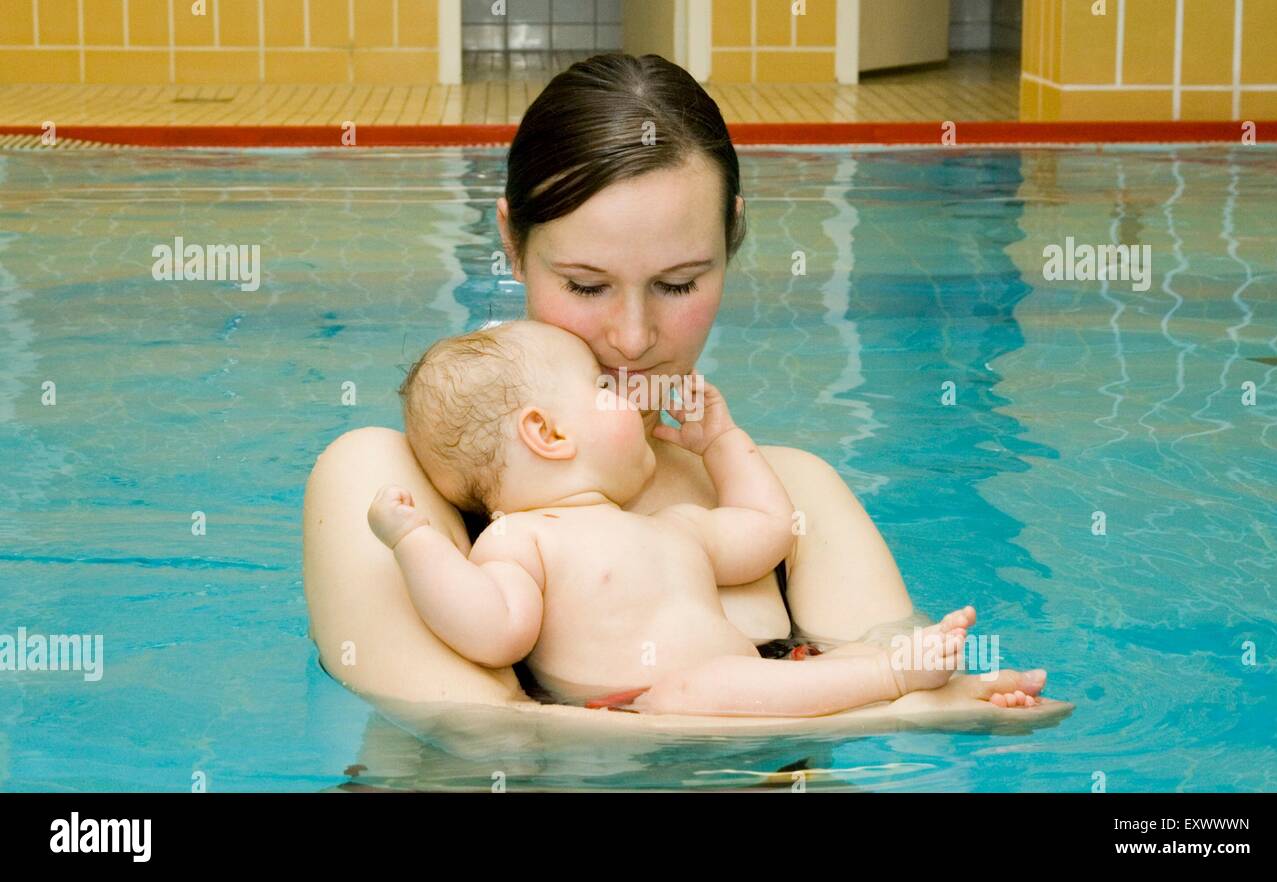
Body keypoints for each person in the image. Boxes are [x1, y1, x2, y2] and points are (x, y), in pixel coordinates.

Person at [303, 53, 1057, 723]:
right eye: (585, 285)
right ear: (511, 242)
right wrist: (889, 709)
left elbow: (928, 677)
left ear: (730, 239)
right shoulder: (396, 493)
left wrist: (963, 695)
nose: (632, 337)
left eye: (677, 283)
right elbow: (476, 731)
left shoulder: (790, 495)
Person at [367, 320, 983, 716]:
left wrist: (722, 443)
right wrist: (415, 541)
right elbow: (493, 628)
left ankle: (921, 684)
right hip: (644, 706)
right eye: (601, 389)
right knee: (705, 689)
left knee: (765, 678)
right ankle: (893, 680)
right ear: (548, 432)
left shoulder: (675, 526)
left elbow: (768, 529)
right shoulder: (521, 539)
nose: (629, 397)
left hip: (742, 690)